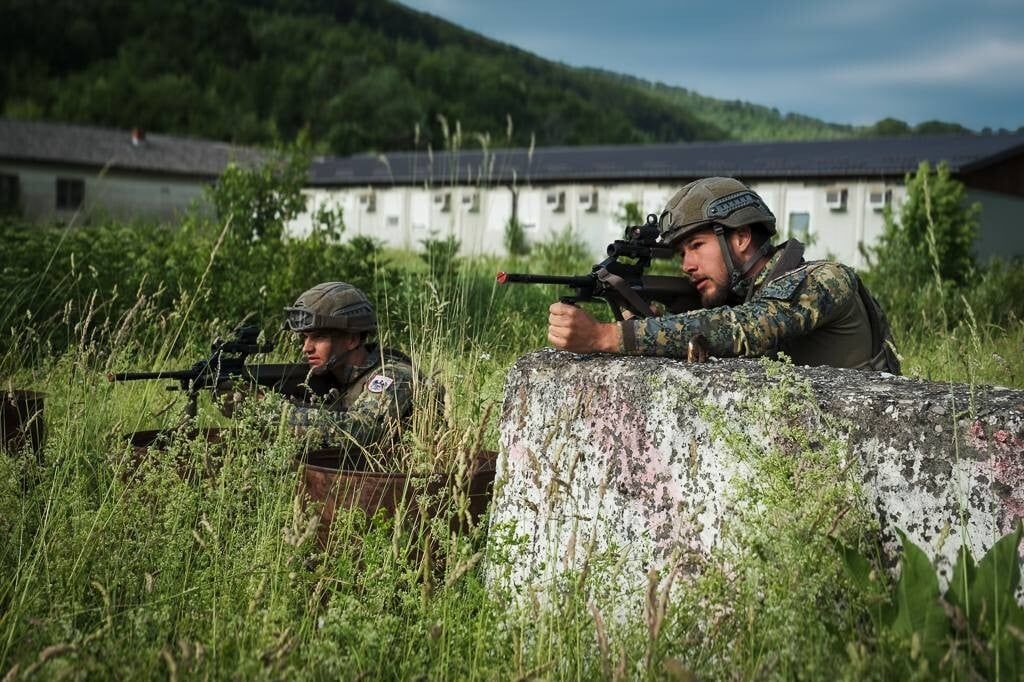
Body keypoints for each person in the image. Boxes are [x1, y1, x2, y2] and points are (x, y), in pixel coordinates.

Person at [547, 177, 900, 372]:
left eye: (696, 245)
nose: (686, 264)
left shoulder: (826, 280)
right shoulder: (747, 296)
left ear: (741, 237)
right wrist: (648, 319)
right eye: (681, 253)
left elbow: (742, 327)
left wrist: (606, 336)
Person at [279, 281, 422, 461]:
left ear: (352, 340)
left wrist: (274, 415)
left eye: (319, 337)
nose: (306, 348)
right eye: (305, 338)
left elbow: (362, 430)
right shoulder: (337, 377)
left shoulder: (393, 375)